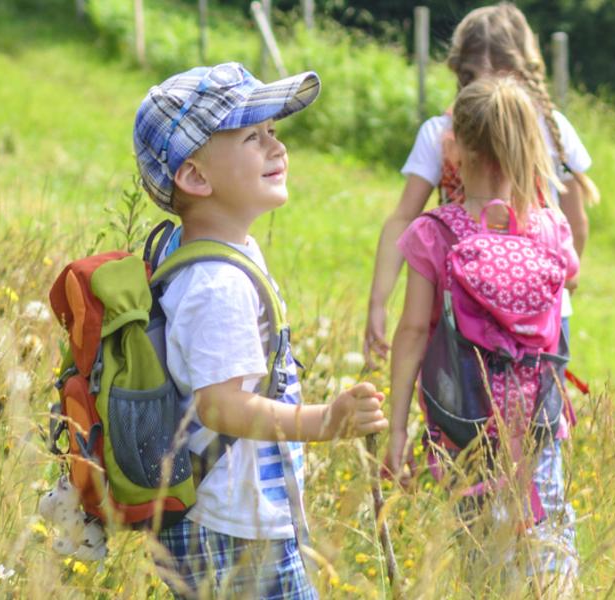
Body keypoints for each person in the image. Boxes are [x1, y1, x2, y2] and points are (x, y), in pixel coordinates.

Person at [131, 62, 389, 598]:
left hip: (233, 518)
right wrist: (324, 421)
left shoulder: (224, 252)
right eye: (253, 136)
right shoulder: (217, 283)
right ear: (196, 178)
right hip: (233, 529)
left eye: (273, 131)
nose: (278, 148)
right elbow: (221, 407)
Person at [386, 75, 581, 594]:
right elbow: (571, 278)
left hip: (462, 426)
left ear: (458, 149)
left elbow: (410, 333)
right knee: (548, 538)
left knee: (481, 557)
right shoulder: (550, 229)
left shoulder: (436, 233)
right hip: (537, 425)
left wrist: (398, 428)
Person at [363, 1, 597, 367]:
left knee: (461, 410)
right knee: (539, 414)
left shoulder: (440, 131)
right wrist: (563, 277)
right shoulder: (554, 129)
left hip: (461, 312)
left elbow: (401, 218)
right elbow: (575, 224)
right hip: (536, 314)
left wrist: (380, 299)